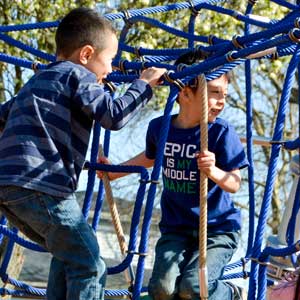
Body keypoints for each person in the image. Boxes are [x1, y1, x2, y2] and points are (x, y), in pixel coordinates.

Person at [0, 7, 166, 300]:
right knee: (90, 263)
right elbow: (112, 115)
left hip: (8, 188)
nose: (112, 71)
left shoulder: (37, 80)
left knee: (68, 256)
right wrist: (143, 84)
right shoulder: (80, 76)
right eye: (110, 61)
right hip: (44, 187)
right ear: (87, 54)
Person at [98, 51, 249, 300]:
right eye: (214, 92)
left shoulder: (221, 132)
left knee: (194, 287)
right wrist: (115, 172)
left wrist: (213, 171)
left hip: (217, 229)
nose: (222, 101)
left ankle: (231, 292)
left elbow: (234, 183)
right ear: (184, 92)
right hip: (176, 226)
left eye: (224, 94)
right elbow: (150, 157)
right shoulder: (160, 127)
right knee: (162, 290)